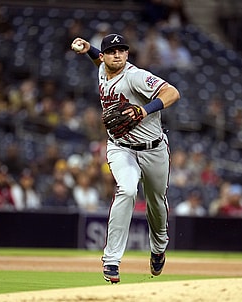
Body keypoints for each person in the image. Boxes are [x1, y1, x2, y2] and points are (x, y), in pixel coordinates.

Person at [71, 33, 180, 283]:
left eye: (121, 50)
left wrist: (144, 109)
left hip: (153, 149)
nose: (117, 54)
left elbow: (172, 93)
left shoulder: (135, 76)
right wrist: (89, 49)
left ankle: (159, 247)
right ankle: (111, 259)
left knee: (156, 202)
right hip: (121, 147)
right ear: (104, 55)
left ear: (127, 54)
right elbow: (99, 63)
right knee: (127, 190)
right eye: (112, 51)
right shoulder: (102, 69)